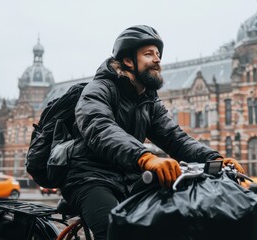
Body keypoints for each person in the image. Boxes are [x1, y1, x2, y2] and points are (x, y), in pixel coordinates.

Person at [61, 25, 245, 240]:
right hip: (89, 177)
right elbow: (99, 128)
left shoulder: (148, 100)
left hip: (128, 178)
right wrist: (144, 157)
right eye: (149, 54)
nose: (157, 59)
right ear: (129, 61)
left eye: (158, 54)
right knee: (118, 233)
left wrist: (214, 159)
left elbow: (175, 137)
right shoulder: (98, 89)